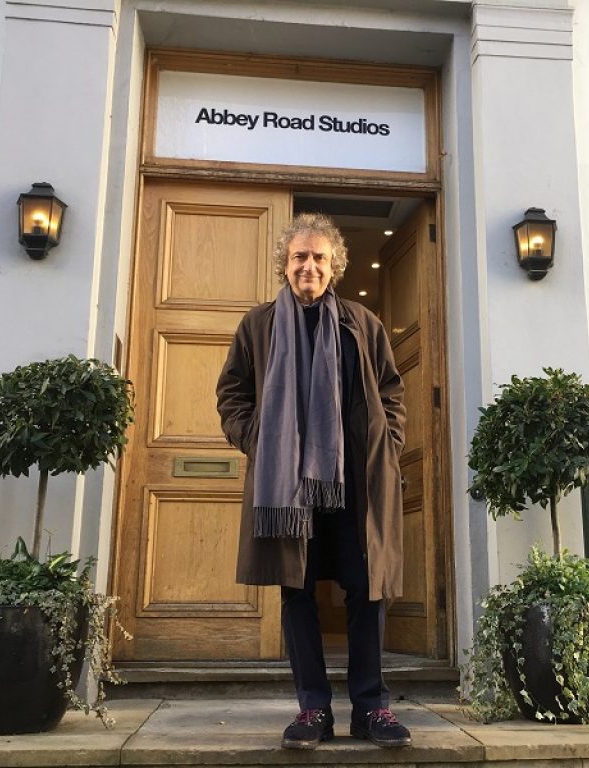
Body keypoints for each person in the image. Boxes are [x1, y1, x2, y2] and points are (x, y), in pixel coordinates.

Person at [216, 212, 410, 750]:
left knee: (364, 592)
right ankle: (313, 710)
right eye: (299, 256)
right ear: (285, 263)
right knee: (297, 592)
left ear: (335, 267)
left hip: (356, 485)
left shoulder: (362, 324)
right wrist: (259, 438)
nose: (309, 266)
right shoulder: (258, 325)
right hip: (287, 487)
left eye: (319, 257)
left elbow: (391, 394)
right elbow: (232, 394)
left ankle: (371, 708)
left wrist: (387, 447)